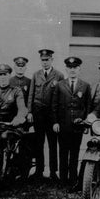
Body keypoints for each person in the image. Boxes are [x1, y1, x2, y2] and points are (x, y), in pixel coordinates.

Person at [51, 57, 91, 191]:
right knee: (63, 152)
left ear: (79, 69)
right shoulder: (60, 85)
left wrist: (85, 124)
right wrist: (55, 122)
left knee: (74, 153)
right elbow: (54, 105)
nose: (72, 70)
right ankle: (63, 180)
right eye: (70, 68)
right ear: (66, 69)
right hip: (63, 124)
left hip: (77, 126)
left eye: (75, 68)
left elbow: (88, 106)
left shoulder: (85, 86)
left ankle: (73, 180)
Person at [27, 49, 64, 181]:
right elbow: (31, 94)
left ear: (52, 60)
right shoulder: (36, 75)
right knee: (38, 143)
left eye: (47, 60)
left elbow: (60, 97)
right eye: (43, 60)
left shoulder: (59, 75)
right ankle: (39, 170)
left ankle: (54, 171)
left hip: (52, 114)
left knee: (53, 143)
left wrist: (57, 118)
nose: (45, 62)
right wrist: (29, 111)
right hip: (38, 113)